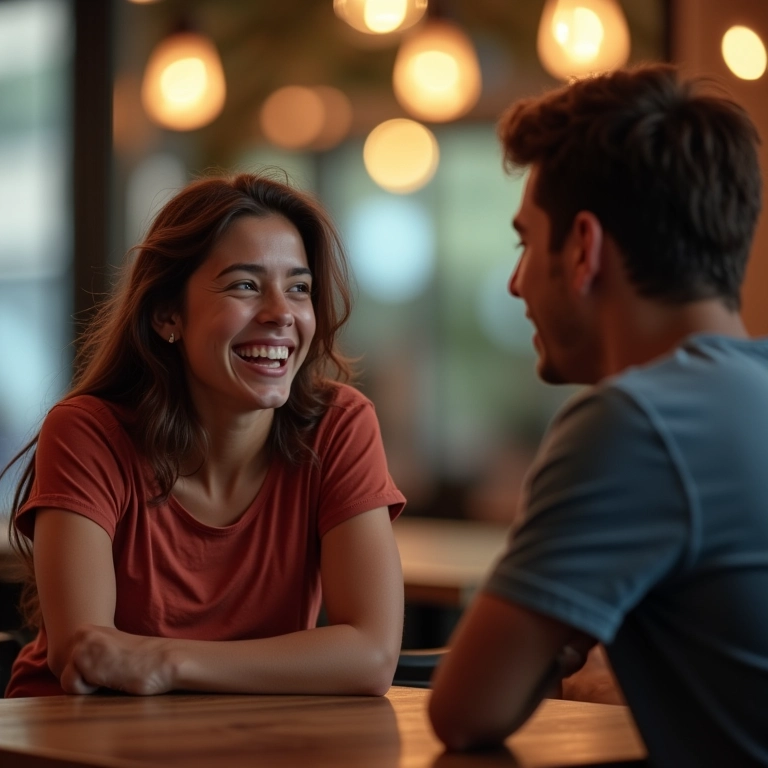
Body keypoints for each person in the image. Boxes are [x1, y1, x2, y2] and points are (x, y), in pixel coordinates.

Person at [428, 63, 768, 766]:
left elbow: (467, 709)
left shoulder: (636, 421)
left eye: (525, 242)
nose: (518, 283)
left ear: (582, 248)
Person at [3, 172, 405, 698]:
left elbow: (371, 656)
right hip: (80, 739)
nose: (281, 313)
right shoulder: (88, 432)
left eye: (299, 288)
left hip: (244, 739)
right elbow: (85, 653)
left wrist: (165, 661)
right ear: (168, 314)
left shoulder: (339, 425)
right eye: (245, 285)